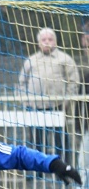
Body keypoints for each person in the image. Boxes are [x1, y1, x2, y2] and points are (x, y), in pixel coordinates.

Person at [17, 27, 80, 163]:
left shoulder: (65, 59)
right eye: (43, 40)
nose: (47, 42)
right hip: (35, 107)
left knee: (60, 139)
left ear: (55, 42)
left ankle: (63, 168)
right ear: (39, 43)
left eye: (50, 39)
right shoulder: (31, 60)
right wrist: (26, 101)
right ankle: (39, 170)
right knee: (37, 140)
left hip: (57, 106)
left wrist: (66, 101)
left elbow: (73, 81)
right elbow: (21, 82)